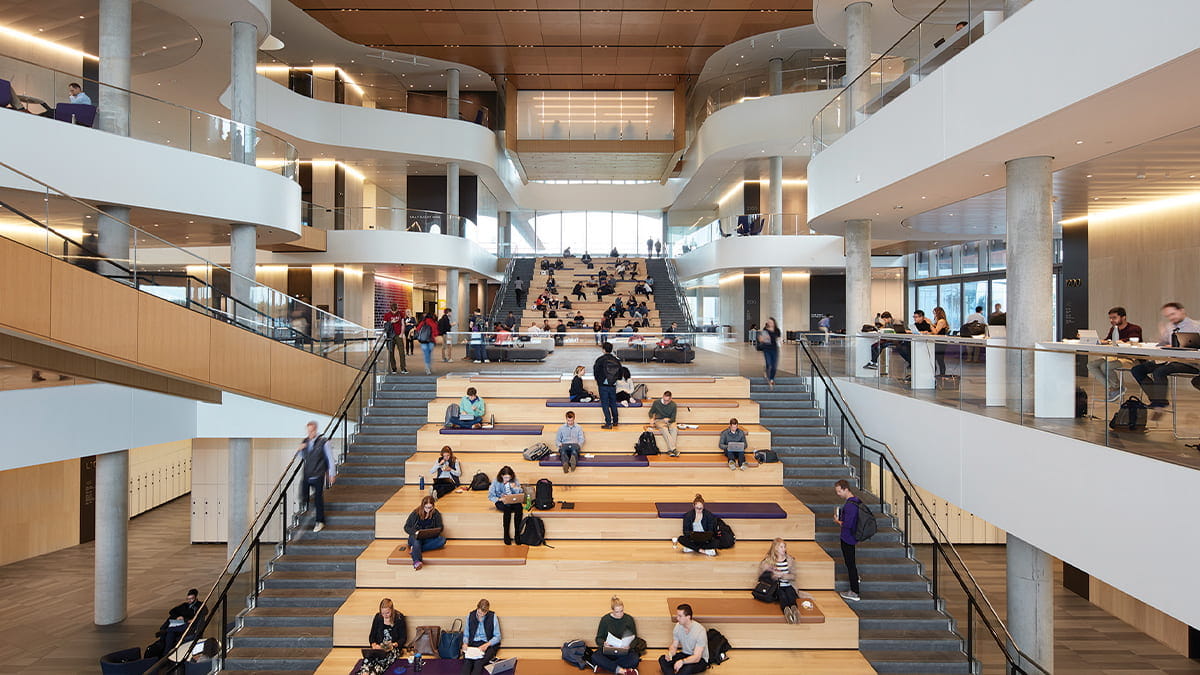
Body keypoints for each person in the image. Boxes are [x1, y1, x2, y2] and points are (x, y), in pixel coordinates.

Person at [1131, 302, 1200, 408]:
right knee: (1137, 370)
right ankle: (1157, 399)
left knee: (1159, 371)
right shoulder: (1169, 326)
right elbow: (1161, 344)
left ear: (1182, 311)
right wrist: (1161, 335)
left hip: (1191, 362)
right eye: (1168, 316)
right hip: (1170, 359)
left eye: (1173, 314)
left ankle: (1159, 403)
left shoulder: (1196, 326)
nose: (1171, 318)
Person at [1086, 306, 1144, 401]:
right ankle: (1113, 388)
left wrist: (1113, 342)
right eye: (1110, 318)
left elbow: (1131, 340)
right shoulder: (1113, 329)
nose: (1111, 320)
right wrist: (1101, 341)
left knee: (1105, 366)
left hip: (1131, 358)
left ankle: (1116, 388)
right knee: (1091, 365)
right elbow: (1108, 340)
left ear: (1123, 317)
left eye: (1114, 317)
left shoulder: (1134, 328)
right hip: (1116, 357)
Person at [758, 539, 814, 624]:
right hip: (777, 587)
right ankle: (786, 610)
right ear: (776, 548)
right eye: (781, 547)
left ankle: (794, 609)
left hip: (788, 584)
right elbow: (763, 576)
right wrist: (774, 575)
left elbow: (794, 576)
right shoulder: (768, 561)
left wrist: (785, 576)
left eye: (784, 546)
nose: (783, 549)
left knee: (790, 593)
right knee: (782, 595)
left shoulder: (789, 560)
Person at [297, 421, 336, 532]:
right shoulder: (305, 442)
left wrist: (331, 474)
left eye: (312, 431)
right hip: (307, 474)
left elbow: (330, 459)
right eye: (308, 431)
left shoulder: (324, 442)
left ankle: (320, 521)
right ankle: (306, 507)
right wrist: (299, 449)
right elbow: (302, 456)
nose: (310, 433)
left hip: (318, 474)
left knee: (318, 498)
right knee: (303, 493)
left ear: (316, 430)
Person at [592, 596, 641, 675]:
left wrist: (629, 646)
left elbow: (635, 639)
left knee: (635, 659)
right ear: (612, 610)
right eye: (617, 612)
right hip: (609, 651)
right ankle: (622, 671)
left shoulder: (629, 619)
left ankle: (606, 666)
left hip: (624, 651)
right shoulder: (605, 620)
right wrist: (604, 643)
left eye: (621, 611)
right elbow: (598, 639)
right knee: (595, 656)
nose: (620, 614)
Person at [657, 603, 708, 674]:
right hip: (685, 654)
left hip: (700, 660)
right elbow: (674, 645)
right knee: (662, 659)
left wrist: (682, 662)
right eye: (677, 615)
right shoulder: (678, 627)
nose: (677, 618)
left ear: (688, 617)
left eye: (680, 616)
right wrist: (670, 654)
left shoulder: (700, 631)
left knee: (686, 669)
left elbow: (697, 657)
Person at [361, 598, 406, 674]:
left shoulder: (399, 618)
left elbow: (403, 638)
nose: (385, 615)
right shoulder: (378, 617)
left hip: (393, 648)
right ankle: (364, 672)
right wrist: (374, 644)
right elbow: (372, 636)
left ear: (392, 610)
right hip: (379, 647)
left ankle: (375, 672)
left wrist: (394, 644)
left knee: (384, 660)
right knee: (369, 659)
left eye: (387, 613)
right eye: (383, 613)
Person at [834, 480, 862, 602]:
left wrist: (838, 521)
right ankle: (855, 578)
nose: (838, 494)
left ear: (846, 489)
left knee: (850, 564)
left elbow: (848, 525)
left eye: (839, 491)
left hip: (848, 538)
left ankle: (854, 591)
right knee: (851, 563)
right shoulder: (856, 501)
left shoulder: (850, 505)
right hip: (852, 537)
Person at [155, 589, 206, 654]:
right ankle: (165, 651)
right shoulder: (185, 605)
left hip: (190, 625)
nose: (189, 601)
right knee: (170, 633)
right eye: (188, 599)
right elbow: (172, 611)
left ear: (196, 598)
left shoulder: (199, 606)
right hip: (182, 623)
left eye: (192, 599)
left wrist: (186, 620)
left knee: (173, 630)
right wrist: (178, 617)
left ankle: (166, 633)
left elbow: (196, 618)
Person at [403, 495, 446, 571]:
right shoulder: (415, 513)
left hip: (428, 538)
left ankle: (415, 550)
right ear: (423, 506)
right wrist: (415, 532)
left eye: (430, 507)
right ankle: (417, 561)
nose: (428, 510)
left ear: (433, 506)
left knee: (442, 540)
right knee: (417, 541)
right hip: (415, 537)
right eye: (426, 507)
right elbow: (406, 527)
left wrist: (434, 532)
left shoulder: (436, 514)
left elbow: (440, 527)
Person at [460, 599, 502, 675]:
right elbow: (466, 634)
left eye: (484, 613)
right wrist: (465, 643)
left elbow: (498, 637)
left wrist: (486, 645)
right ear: (477, 608)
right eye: (479, 612)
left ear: (487, 611)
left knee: (478, 662)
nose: (481, 615)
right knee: (467, 662)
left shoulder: (493, 616)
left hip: (487, 644)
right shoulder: (470, 615)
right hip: (472, 644)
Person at [487, 467, 523, 545]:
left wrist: (515, 488)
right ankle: (506, 534)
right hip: (501, 501)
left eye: (509, 477)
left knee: (519, 508)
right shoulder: (496, 482)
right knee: (507, 509)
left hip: (512, 500)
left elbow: (520, 493)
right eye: (505, 477)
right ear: (501, 476)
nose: (507, 479)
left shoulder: (514, 480)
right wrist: (500, 499)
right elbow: (490, 496)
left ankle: (517, 534)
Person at [594, 342, 623, 429]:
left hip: (603, 385)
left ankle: (608, 423)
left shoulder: (600, 360)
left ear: (603, 349)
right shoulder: (616, 360)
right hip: (613, 385)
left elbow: (596, 372)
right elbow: (621, 373)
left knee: (605, 404)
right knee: (613, 403)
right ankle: (615, 421)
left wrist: (599, 381)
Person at [649, 390, 679, 457]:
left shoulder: (673, 405)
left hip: (669, 421)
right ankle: (673, 449)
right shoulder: (656, 403)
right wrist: (651, 418)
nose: (665, 402)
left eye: (667, 401)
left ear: (671, 399)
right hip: (659, 420)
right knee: (664, 430)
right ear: (663, 396)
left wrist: (669, 420)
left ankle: (670, 450)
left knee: (674, 429)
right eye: (664, 400)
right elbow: (651, 412)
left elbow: (673, 418)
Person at [382, 301, 407, 374]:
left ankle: (403, 368)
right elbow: (385, 325)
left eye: (395, 310)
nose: (394, 312)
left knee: (402, 352)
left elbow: (403, 324)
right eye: (393, 310)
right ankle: (394, 368)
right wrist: (391, 322)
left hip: (398, 335)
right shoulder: (387, 315)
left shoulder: (400, 314)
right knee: (391, 352)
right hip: (390, 336)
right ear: (391, 309)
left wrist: (402, 334)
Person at [758, 317, 782, 389]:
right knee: (768, 363)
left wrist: (780, 340)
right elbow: (761, 339)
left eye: (771, 322)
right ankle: (767, 371)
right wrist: (763, 339)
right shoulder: (765, 330)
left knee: (774, 365)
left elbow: (778, 338)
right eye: (768, 322)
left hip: (774, 349)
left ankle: (771, 379)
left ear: (774, 323)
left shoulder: (777, 330)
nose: (769, 323)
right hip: (767, 349)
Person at [929, 307, 951, 376]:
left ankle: (942, 375)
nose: (934, 315)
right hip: (939, 342)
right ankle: (939, 375)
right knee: (938, 359)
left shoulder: (941, 321)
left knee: (939, 359)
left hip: (940, 343)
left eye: (935, 313)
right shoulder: (939, 321)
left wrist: (929, 324)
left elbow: (935, 332)